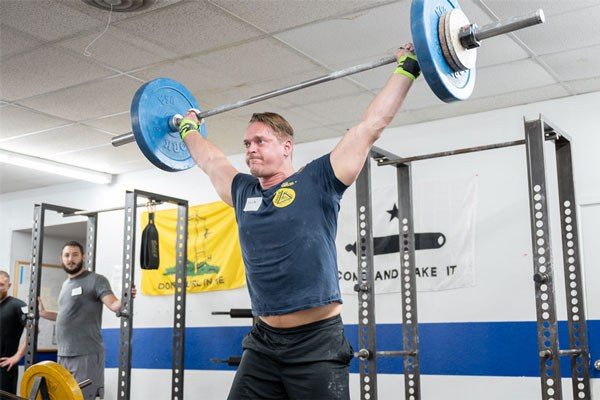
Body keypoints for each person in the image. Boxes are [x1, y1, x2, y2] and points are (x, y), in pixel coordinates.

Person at [178, 44, 419, 399]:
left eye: (260, 140)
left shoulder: (318, 179)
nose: (250, 149)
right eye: (246, 143)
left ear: (286, 146)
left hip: (317, 343)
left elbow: (369, 128)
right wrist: (187, 130)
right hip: (263, 342)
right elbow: (210, 160)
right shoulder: (244, 192)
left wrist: (407, 69)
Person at [38, 241, 135, 400]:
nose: (71, 259)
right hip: (64, 354)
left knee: (84, 397)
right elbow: (66, 315)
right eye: (67, 255)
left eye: (75, 255)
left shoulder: (96, 280)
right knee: (64, 396)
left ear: (83, 256)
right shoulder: (65, 284)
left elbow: (113, 304)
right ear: (61, 259)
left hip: (86, 354)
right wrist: (43, 313)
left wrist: (126, 297)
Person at [0, 270, 28, 394]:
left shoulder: (18, 306)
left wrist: (17, 356)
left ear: (9, 285)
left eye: (1, 284)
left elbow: (34, 331)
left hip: (5, 366)